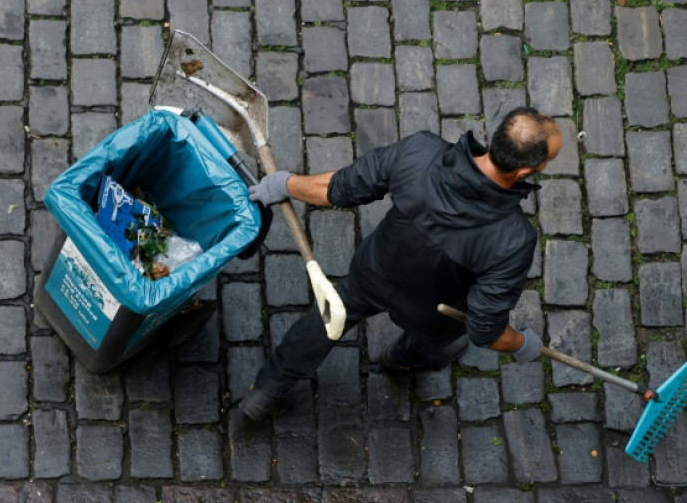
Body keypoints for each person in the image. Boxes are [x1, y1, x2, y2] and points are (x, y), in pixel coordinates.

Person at [240, 106, 563, 420]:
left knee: (325, 320)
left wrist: (285, 185)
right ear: (524, 171)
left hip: (373, 271)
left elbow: (338, 188)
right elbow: (484, 329)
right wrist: (521, 344)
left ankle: (267, 390)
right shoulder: (513, 240)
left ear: (496, 139)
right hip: (432, 312)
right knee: (437, 339)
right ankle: (403, 359)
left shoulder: (420, 152)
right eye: (550, 158)